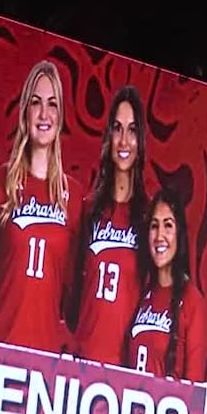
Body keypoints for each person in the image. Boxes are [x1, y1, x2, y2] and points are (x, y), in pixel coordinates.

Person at [0, 61, 81, 353]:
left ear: (61, 116)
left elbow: (73, 292)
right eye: (36, 103)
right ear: (24, 111)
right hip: (0, 344)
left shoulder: (73, 195)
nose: (44, 114)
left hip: (45, 357)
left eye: (52, 104)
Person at [70, 86, 149, 365]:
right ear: (108, 137)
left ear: (141, 141)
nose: (124, 140)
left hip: (124, 372)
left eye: (132, 129)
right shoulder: (88, 209)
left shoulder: (149, 218)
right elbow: (71, 290)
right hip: (81, 362)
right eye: (117, 128)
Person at [125, 188, 207, 381]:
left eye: (168, 225)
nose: (159, 235)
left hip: (167, 410)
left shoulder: (192, 301)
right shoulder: (141, 294)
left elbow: (194, 386)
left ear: (179, 234)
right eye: (154, 226)